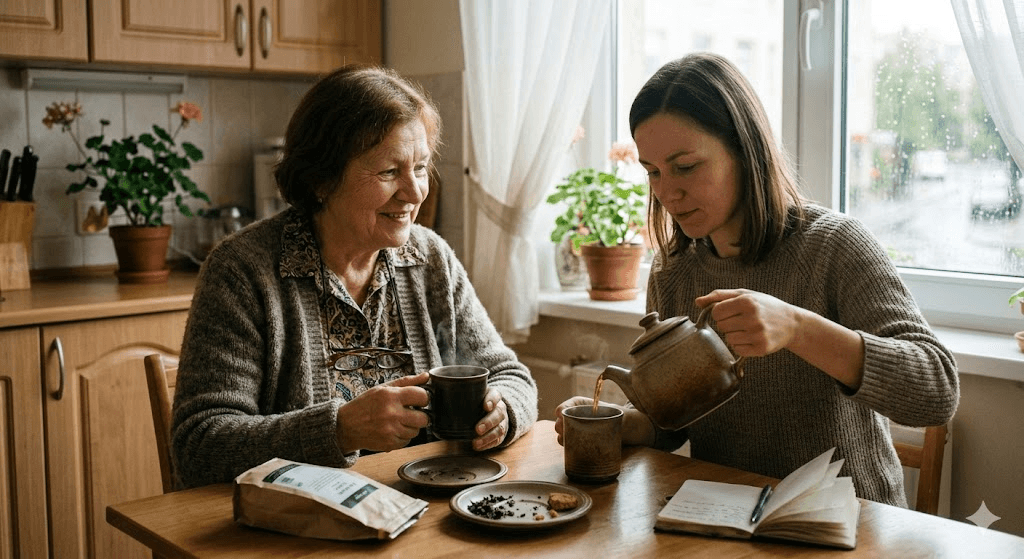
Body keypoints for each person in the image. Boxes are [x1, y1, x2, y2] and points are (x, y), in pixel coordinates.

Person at [554, 53, 958, 507]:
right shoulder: (674, 272)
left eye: (685, 166)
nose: (666, 192)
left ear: (746, 152)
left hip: (850, 525)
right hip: (731, 521)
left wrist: (798, 328)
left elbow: (936, 392)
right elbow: (680, 419)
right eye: (652, 172)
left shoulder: (834, 246)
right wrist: (630, 424)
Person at [172, 65, 538, 488]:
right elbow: (198, 447)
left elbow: (511, 377)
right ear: (322, 178)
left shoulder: (429, 258)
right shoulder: (243, 272)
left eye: (420, 167)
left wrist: (502, 410)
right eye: (388, 172)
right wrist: (339, 429)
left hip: (426, 519)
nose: (416, 192)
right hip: (300, 533)